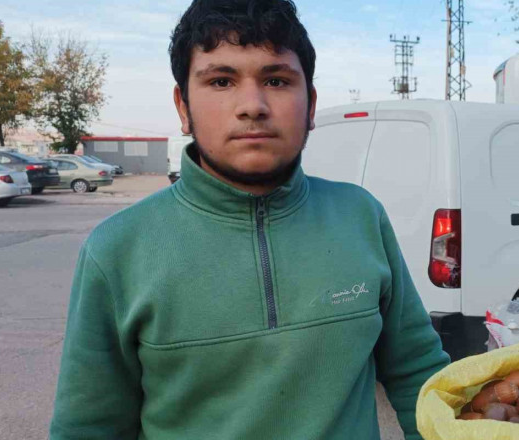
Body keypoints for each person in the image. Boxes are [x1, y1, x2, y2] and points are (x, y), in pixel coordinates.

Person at [49, 1, 450, 438]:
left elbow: (421, 377)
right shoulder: (117, 249)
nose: (253, 106)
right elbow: (87, 427)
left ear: (310, 104)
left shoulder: (361, 217)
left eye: (276, 80)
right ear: (183, 106)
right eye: (221, 81)